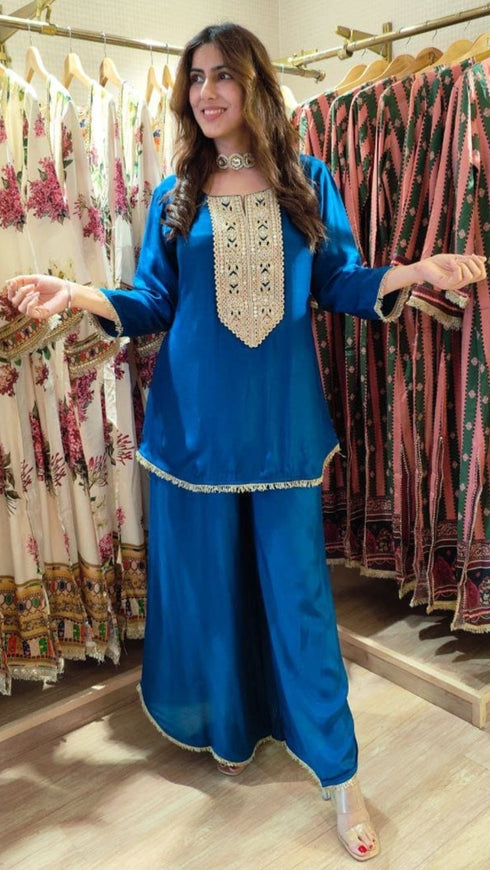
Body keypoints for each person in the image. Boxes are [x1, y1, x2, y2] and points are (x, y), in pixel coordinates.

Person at [4, 22, 486, 863]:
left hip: (281, 437)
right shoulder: (174, 193)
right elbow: (153, 302)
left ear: (256, 82)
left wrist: (411, 274)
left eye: (223, 75)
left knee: (301, 603)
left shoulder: (308, 179)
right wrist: (72, 289)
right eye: (194, 78)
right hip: (190, 432)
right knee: (210, 595)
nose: (206, 92)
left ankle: (341, 776)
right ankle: (231, 732)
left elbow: (337, 281)